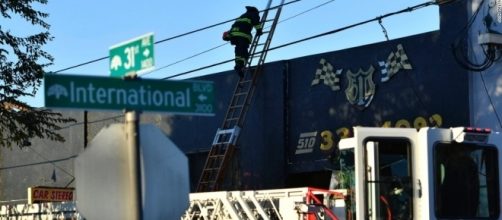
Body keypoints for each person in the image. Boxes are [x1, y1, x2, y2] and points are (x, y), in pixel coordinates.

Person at [224, 6, 263, 78]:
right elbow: (256, 22)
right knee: (244, 51)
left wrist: (227, 36)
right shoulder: (253, 14)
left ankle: (239, 65)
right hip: (243, 35)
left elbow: (234, 27)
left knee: (239, 51)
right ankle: (242, 62)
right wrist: (259, 30)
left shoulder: (241, 16)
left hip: (234, 36)